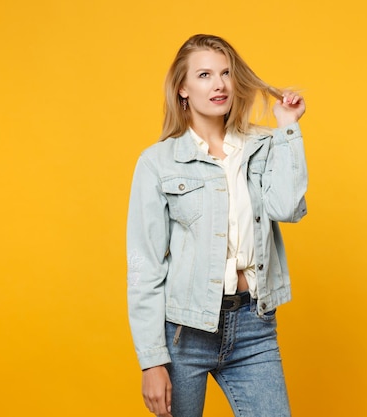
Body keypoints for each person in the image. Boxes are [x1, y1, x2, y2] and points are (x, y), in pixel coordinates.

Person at [126, 34, 308, 417]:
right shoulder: (158, 163)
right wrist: (151, 360)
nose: (220, 84)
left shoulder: (261, 145)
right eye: (205, 74)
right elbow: (144, 266)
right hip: (184, 334)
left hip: (253, 326)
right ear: (183, 89)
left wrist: (288, 128)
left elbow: (288, 207)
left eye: (225, 73)